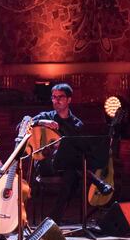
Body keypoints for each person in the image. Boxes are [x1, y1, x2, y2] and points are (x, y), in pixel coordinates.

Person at [31, 83, 112, 224]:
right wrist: (42, 122)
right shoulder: (46, 117)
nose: (56, 100)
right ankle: (98, 182)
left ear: (69, 100)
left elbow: (82, 149)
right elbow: (24, 124)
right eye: (54, 97)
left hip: (68, 166)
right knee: (74, 170)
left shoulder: (77, 124)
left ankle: (53, 220)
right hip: (46, 163)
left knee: (71, 173)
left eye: (60, 97)